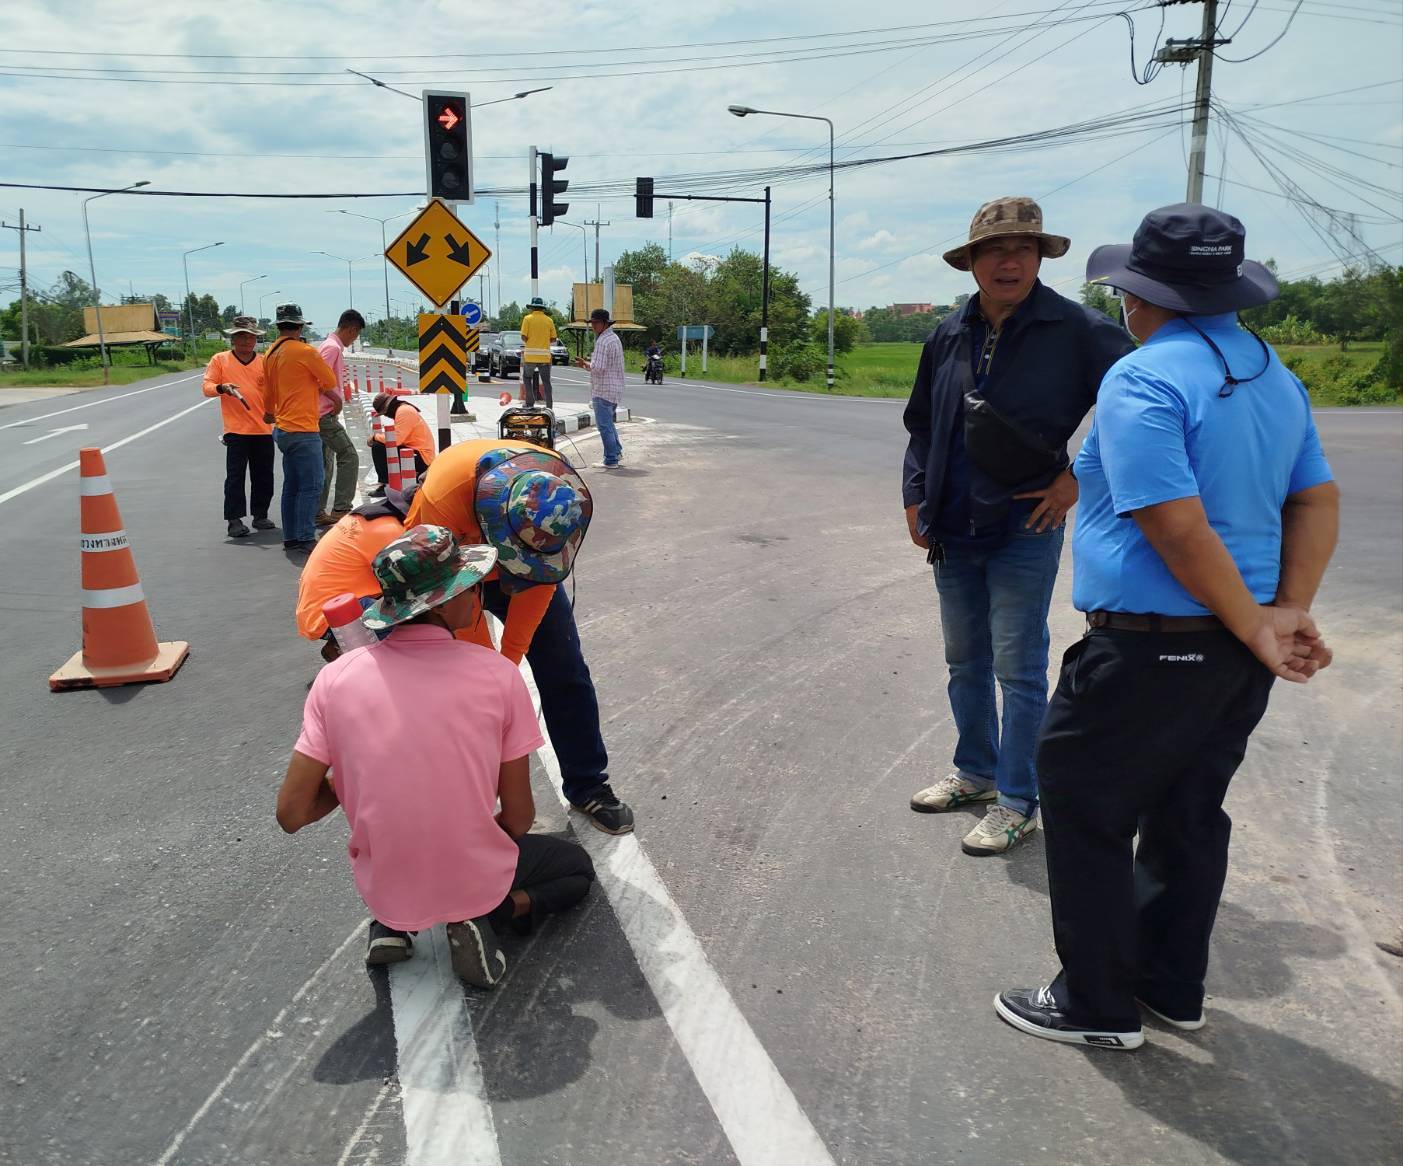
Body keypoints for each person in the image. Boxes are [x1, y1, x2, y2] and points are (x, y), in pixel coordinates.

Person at [995, 204, 1338, 1050]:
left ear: (1138, 296)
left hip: (1150, 643)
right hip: (1231, 654)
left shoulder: (1143, 378)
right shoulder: (1270, 371)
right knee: (1188, 813)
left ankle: (1095, 1005)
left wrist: (1260, 626)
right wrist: (1281, 612)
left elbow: (1175, 525)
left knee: (1084, 805)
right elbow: (1314, 498)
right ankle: (1168, 985)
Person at [902, 197, 1133, 856]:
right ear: (972, 262)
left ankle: (1016, 800)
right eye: (995, 250)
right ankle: (974, 772)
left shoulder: (1077, 329)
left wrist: (1076, 478)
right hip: (951, 523)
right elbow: (921, 425)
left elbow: (1136, 403)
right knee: (963, 660)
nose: (1010, 262)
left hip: (1024, 523)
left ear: (1038, 258)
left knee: (1018, 667)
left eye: (1023, 249)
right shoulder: (949, 332)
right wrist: (914, 494)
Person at [276, 524, 596, 985]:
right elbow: (519, 817)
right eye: (470, 585)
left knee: (400, 841)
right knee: (576, 871)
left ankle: (392, 924)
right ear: (444, 603)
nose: (477, 595)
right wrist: (465, 844)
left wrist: (352, 771)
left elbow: (292, 813)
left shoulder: (336, 679)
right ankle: (488, 913)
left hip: (387, 874)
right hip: (471, 870)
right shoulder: (497, 676)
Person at [409, 437, 635, 834]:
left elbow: (542, 584)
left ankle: (588, 784)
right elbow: (447, 593)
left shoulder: (559, 491)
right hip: (456, 577)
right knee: (465, 689)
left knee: (565, 670)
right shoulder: (444, 497)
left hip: (532, 574)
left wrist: (507, 663)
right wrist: (487, 676)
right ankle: (471, 800)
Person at [295, 483, 417, 657]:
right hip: (336, 611)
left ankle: (346, 646)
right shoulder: (391, 532)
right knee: (417, 612)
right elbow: (416, 583)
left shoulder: (372, 516)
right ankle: (360, 654)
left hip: (320, 608)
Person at [262, 303, 338, 551]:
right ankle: (305, 537)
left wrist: (269, 413)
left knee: (292, 486)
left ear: (279, 326)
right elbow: (329, 380)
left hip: (282, 428)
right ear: (299, 326)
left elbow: (268, 392)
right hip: (303, 429)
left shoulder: (270, 353)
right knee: (312, 484)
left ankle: (291, 537)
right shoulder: (305, 352)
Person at [202, 315, 275, 539]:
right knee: (235, 477)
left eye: (250, 337)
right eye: (241, 336)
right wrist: (222, 388)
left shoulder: (264, 361)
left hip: (263, 428)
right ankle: (234, 520)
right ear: (233, 338)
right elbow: (207, 387)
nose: (246, 341)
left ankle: (260, 515)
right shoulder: (220, 360)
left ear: (256, 339)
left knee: (263, 475)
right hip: (235, 429)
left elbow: (275, 390)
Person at [316, 309, 366, 527]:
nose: (354, 339)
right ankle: (341, 508)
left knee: (325, 464)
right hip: (324, 414)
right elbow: (319, 379)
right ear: (351, 329)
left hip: (320, 413)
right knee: (349, 455)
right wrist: (336, 400)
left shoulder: (328, 345)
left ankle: (318, 511)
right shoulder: (332, 348)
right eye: (356, 335)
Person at [579, 307, 626, 469]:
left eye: (596, 323)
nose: (593, 326)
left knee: (604, 426)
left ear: (604, 323)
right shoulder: (614, 338)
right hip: (615, 388)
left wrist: (586, 365)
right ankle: (616, 452)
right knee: (609, 424)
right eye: (592, 323)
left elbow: (598, 368)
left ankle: (611, 459)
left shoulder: (602, 341)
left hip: (603, 389)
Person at [369, 393, 435, 488]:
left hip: (422, 456)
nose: (387, 416)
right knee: (382, 445)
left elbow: (396, 440)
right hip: (416, 451)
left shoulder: (404, 412)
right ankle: (391, 482)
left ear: (388, 408)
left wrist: (375, 437)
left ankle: (386, 485)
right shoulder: (403, 409)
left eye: (385, 413)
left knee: (378, 447)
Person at [519, 296, 557, 409]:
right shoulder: (549, 320)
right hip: (544, 357)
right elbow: (553, 338)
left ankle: (530, 402)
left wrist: (532, 341)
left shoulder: (527, 319)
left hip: (530, 356)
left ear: (532, 308)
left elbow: (523, 337)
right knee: (546, 382)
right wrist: (544, 341)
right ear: (542, 308)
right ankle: (549, 405)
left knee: (527, 378)